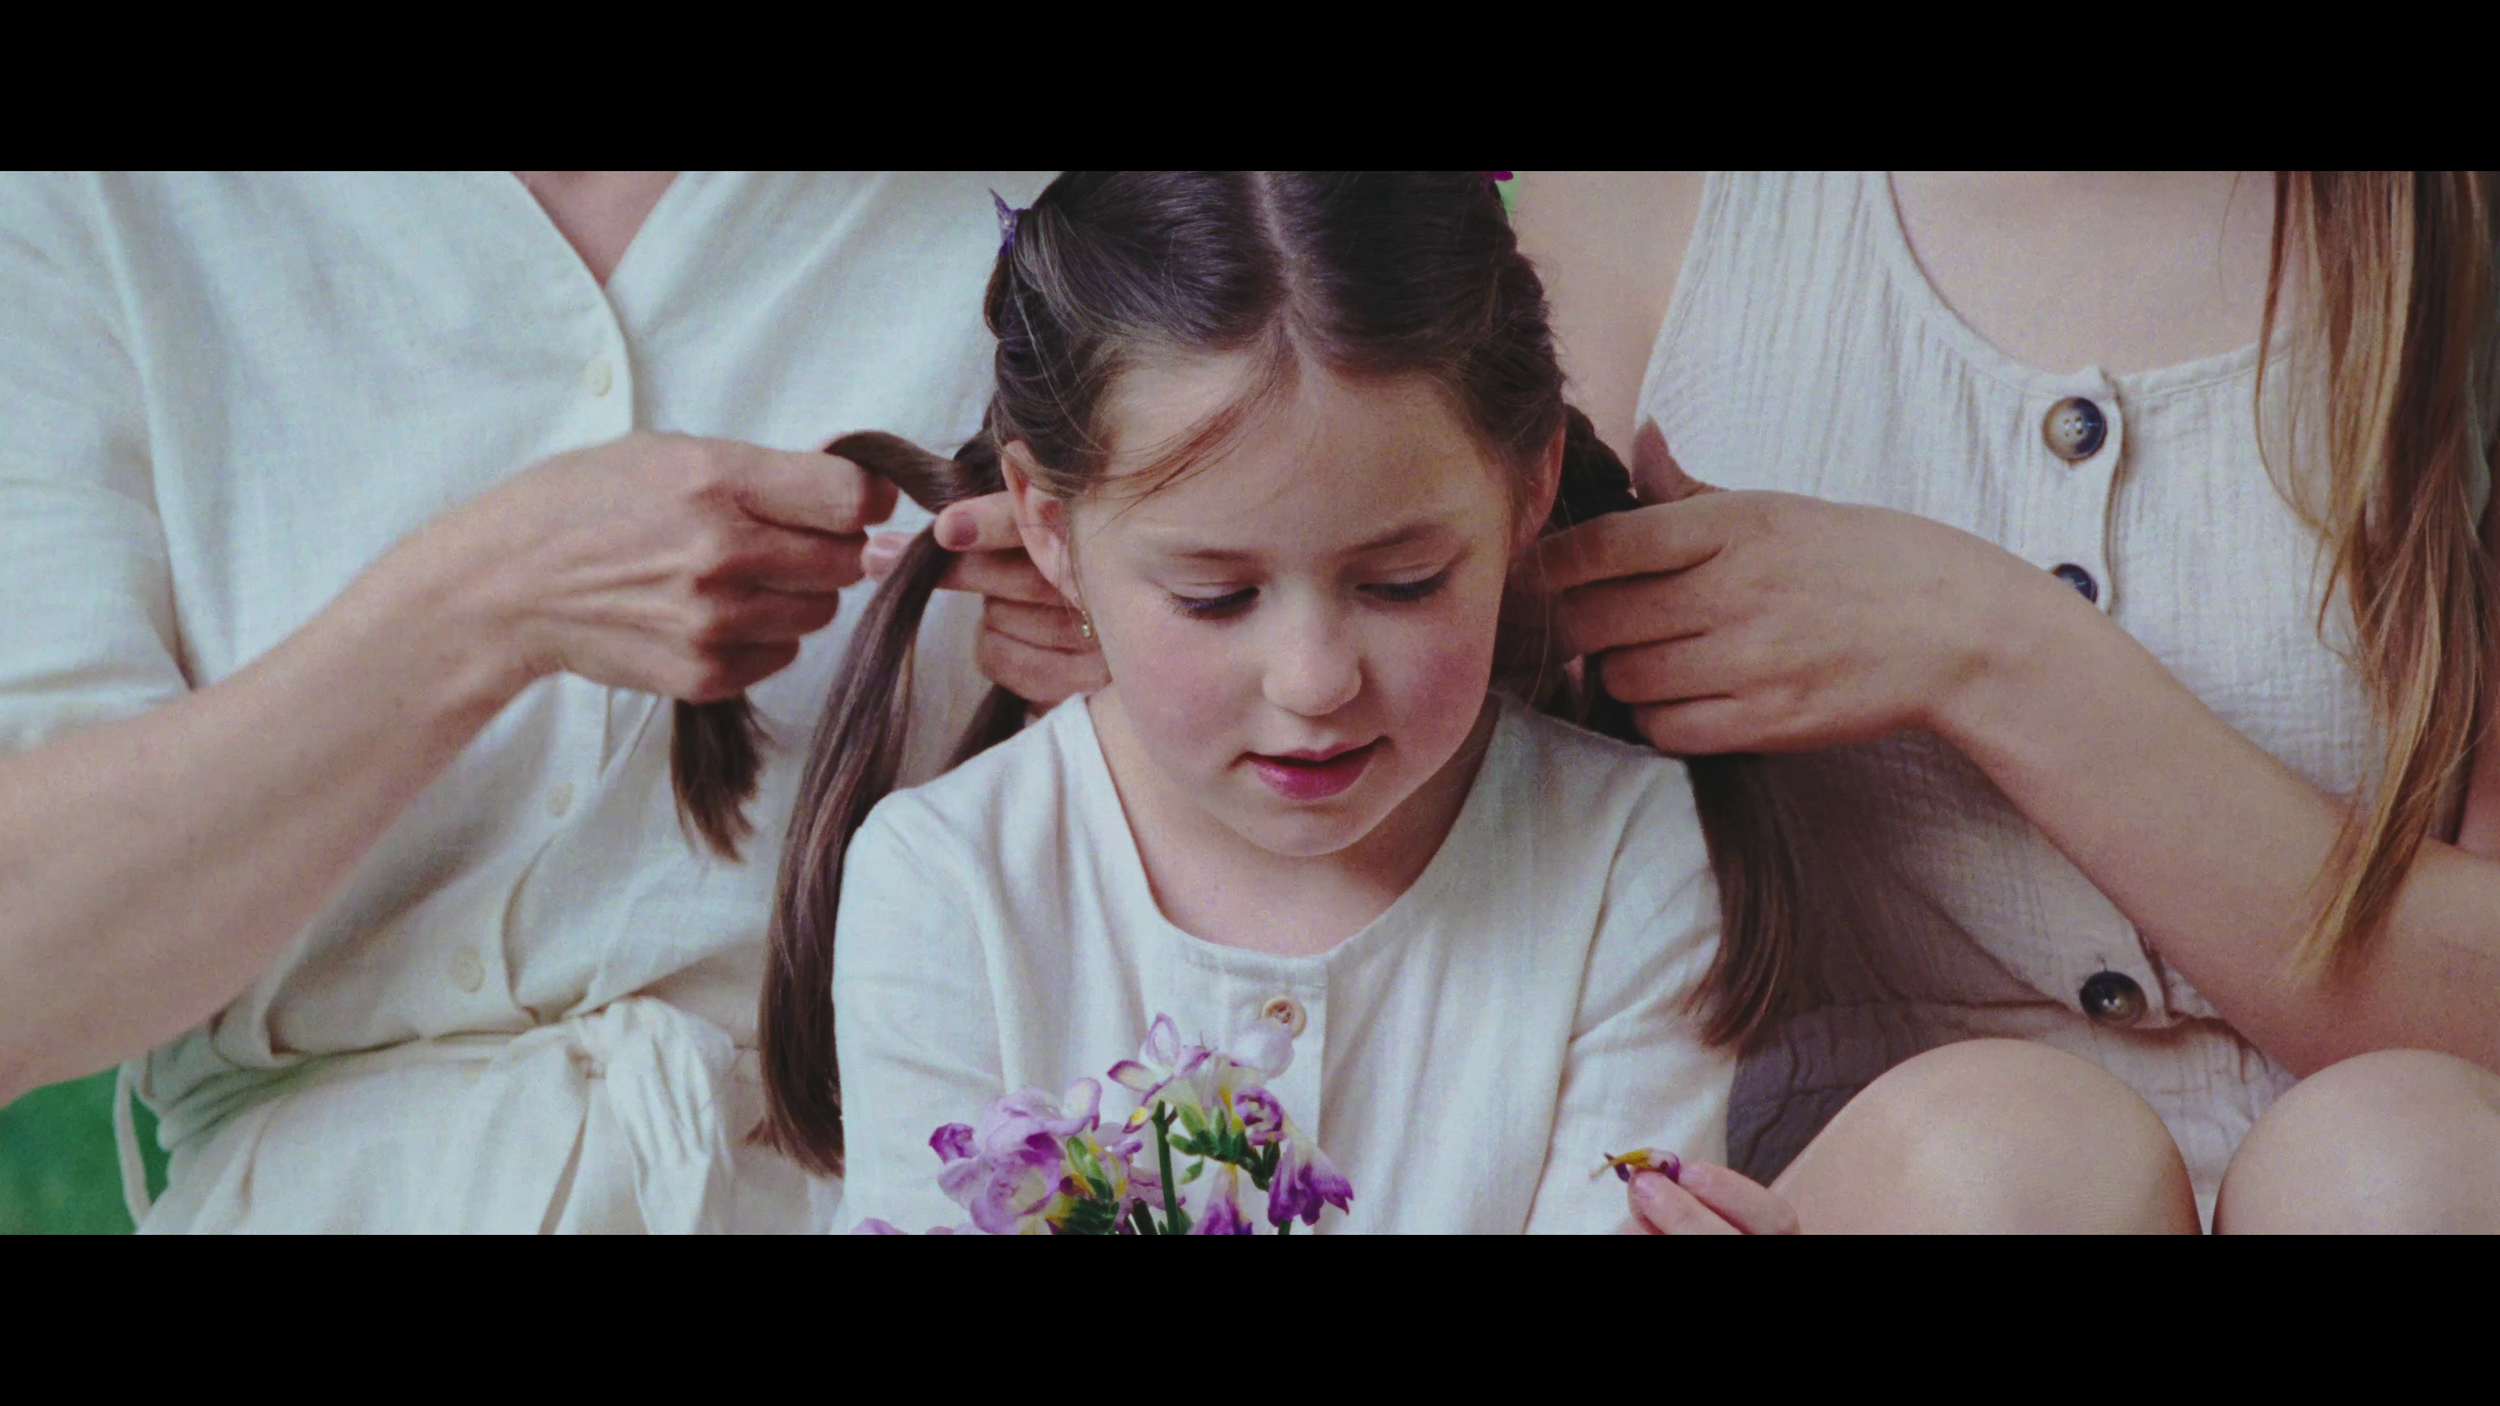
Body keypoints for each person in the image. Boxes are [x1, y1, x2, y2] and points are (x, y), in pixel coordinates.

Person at [0, 171, 1041, 1232]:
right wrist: (485, 604)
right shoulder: (98, 211)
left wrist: (1158, 638)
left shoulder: (1056, 206)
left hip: (907, 1184)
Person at [1510, 171, 2500, 1232]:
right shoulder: (1638, 208)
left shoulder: (2447, 223)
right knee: (2003, 1173)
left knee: (2406, 1166)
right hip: (1869, 1188)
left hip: (2411, 1162)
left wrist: (1986, 646)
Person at [791, 172, 1732, 1233]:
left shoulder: (1626, 857)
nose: (1315, 679)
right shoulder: (945, 879)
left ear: (1528, 487)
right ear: (1049, 531)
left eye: (1403, 581)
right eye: (1215, 596)